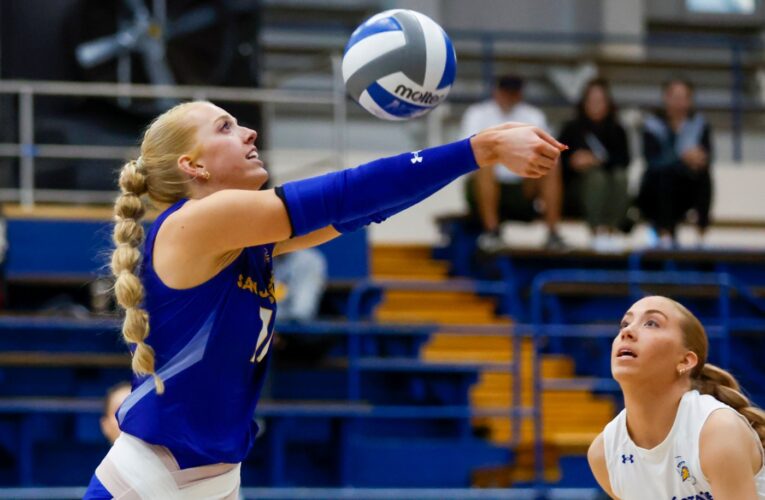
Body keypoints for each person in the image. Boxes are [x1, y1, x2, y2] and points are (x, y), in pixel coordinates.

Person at [83, 100, 565, 498]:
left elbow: (363, 208)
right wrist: (479, 149)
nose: (249, 132)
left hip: (214, 479)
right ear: (194, 166)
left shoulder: (242, 238)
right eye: (226, 127)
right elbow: (347, 193)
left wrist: (476, 155)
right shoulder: (196, 222)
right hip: (153, 482)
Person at [588, 295, 765, 499]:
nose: (627, 332)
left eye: (651, 323)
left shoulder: (717, 430)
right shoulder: (604, 454)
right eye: (625, 324)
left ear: (686, 361)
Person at [462, 74, 566, 251]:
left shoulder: (533, 115)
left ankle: (553, 233)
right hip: (487, 183)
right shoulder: (477, 114)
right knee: (484, 165)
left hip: (523, 183)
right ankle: (492, 231)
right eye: (505, 92)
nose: (508, 96)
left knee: (553, 165)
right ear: (496, 92)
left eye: (513, 92)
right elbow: (468, 154)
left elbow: (546, 151)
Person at [638, 78, 713, 248]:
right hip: (655, 190)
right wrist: (683, 158)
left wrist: (697, 160)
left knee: (704, 175)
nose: (679, 102)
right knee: (665, 176)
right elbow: (652, 161)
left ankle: (701, 233)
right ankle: (665, 234)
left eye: (684, 97)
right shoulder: (652, 126)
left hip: (685, 189)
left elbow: (706, 157)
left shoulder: (699, 125)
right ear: (666, 98)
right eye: (675, 96)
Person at [559, 78, 631, 252]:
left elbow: (624, 160)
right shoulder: (571, 128)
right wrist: (573, 162)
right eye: (592, 100)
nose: (596, 105)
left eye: (600, 100)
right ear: (584, 102)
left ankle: (611, 229)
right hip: (576, 189)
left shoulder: (617, 130)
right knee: (595, 178)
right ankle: (596, 230)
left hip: (610, 187)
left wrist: (595, 160)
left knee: (620, 177)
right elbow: (558, 160)